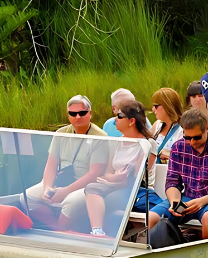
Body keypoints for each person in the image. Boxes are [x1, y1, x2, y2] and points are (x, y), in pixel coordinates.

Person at [147, 108, 208, 239]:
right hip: (188, 197)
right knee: (152, 217)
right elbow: (172, 182)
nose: (192, 142)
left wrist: (201, 202)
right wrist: (175, 201)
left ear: (206, 127)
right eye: (187, 137)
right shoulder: (178, 147)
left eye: (196, 137)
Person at [26, 95, 109, 229]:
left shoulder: (100, 137)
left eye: (82, 113)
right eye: (73, 113)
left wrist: (65, 191)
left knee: (71, 202)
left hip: (86, 184)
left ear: (90, 114)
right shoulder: (61, 133)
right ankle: (56, 228)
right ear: (68, 115)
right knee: (27, 197)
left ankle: (62, 230)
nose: (77, 117)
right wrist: (47, 187)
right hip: (63, 178)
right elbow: (51, 164)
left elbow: (95, 174)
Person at [83, 100, 160, 236]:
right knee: (91, 188)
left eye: (119, 116)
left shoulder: (147, 144)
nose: (115, 120)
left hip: (134, 190)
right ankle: (97, 232)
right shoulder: (116, 142)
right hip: (116, 185)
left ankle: (109, 236)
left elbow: (136, 178)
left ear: (131, 121)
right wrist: (115, 178)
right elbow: (107, 173)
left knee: (103, 199)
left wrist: (116, 180)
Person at [149, 88, 184, 163]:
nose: (153, 109)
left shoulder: (183, 129)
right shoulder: (157, 124)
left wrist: (170, 154)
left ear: (167, 106)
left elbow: (187, 157)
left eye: (156, 106)